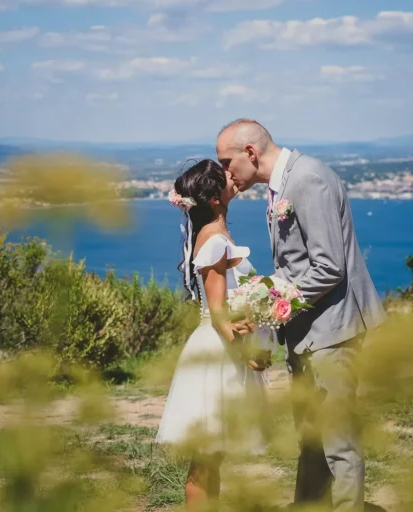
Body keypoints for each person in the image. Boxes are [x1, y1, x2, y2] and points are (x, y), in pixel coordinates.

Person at [216, 119, 387, 511]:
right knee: (310, 438)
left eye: (227, 162)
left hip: (333, 332)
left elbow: (329, 267)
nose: (226, 173)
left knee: (339, 442)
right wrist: (264, 292)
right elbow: (296, 265)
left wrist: (271, 304)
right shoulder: (281, 184)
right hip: (308, 331)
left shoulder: (307, 178)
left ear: (250, 153)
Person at [155, 159, 270, 512]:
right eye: (225, 178)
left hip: (218, 345)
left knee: (211, 457)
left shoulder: (214, 234)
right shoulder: (215, 239)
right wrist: (243, 352)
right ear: (215, 198)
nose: (233, 177)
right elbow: (219, 311)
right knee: (204, 462)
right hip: (218, 352)